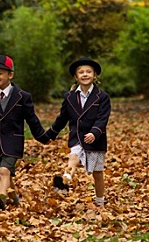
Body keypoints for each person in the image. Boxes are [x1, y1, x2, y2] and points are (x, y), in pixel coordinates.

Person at [0, 55, 48, 210]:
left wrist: (43, 137)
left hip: (13, 141)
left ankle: (0, 201)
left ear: (10, 75)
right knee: (2, 176)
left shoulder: (22, 96)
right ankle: (14, 198)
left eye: (0, 73)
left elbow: (32, 119)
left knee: (4, 170)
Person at [41, 57, 111, 207]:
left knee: (97, 173)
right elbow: (62, 118)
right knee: (73, 158)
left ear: (95, 75)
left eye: (88, 72)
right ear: (76, 76)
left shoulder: (102, 97)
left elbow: (102, 118)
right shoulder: (70, 97)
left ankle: (100, 202)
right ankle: (65, 179)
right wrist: (50, 135)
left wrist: (95, 132)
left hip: (96, 140)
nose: (85, 74)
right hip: (77, 138)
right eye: (81, 72)